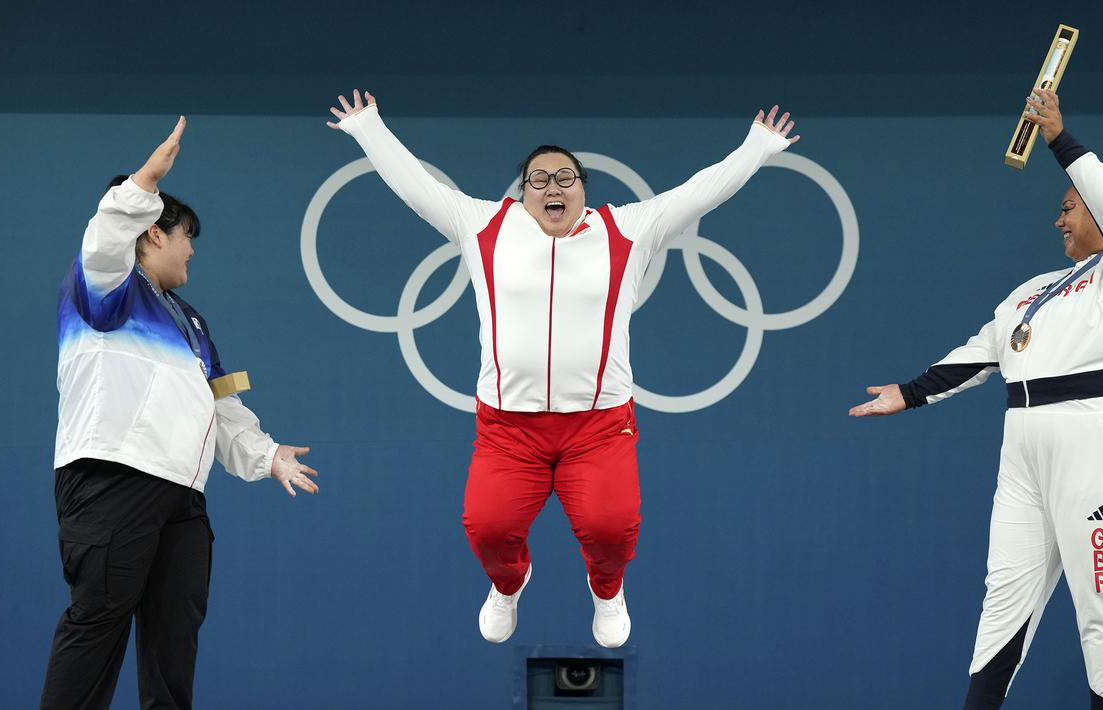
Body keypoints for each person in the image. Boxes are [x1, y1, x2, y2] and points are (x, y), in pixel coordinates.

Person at [326, 89, 800, 647]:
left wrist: (756, 148)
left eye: (565, 177)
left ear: (584, 190)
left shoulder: (628, 229)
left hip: (598, 427)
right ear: (522, 192)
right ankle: (509, 584)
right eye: (538, 178)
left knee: (611, 529)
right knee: (488, 529)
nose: (553, 185)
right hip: (508, 428)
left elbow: (699, 192)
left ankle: (607, 590)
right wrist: (369, 129)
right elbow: (415, 185)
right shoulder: (482, 227)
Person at [849, 88, 1103, 709]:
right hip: (1024, 444)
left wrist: (1059, 138)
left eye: (1069, 208)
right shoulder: (1035, 290)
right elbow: (984, 350)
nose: (1058, 220)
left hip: (1100, 434)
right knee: (1005, 597)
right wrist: (910, 394)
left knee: (1101, 598)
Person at [42, 117, 320, 709]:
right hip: (115, 478)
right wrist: (145, 182)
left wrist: (266, 456)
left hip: (182, 495)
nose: (193, 248)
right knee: (98, 625)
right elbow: (104, 236)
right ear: (151, 234)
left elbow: (221, 404)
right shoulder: (105, 285)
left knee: (175, 644)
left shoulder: (190, 322)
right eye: (185, 234)